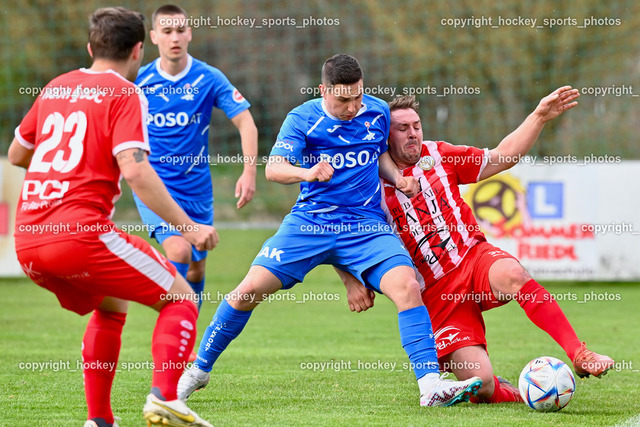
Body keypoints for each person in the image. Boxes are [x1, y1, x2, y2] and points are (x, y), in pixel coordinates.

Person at [177, 53, 484, 407]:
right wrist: (306, 173)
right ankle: (198, 370)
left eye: (357, 97)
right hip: (311, 222)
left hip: (365, 225)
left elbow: (376, 153)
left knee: (407, 285)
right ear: (323, 90)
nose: (352, 107)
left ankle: (430, 386)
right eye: (342, 100)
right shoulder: (302, 119)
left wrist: (397, 179)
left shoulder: (378, 111)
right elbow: (274, 169)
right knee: (247, 291)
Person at [338, 89, 615, 404]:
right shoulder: (367, 184)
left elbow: (501, 157)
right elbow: (336, 229)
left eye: (416, 125)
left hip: (473, 258)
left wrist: (538, 117)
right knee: (479, 384)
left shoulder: (439, 155)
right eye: (402, 129)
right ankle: (518, 393)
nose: (413, 133)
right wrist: (350, 280)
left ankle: (578, 352)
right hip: (437, 296)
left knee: (514, 274)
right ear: (383, 138)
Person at [8, 7, 216, 427]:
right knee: (180, 297)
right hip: (79, 236)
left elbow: (17, 154)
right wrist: (190, 227)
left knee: (112, 304)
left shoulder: (55, 87)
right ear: (139, 50)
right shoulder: (125, 93)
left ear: (90, 46)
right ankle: (164, 396)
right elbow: (136, 169)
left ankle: (99, 420)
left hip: (26, 241)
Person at [134, 4, 258, 312]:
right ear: (154, 37)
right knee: (179, 249)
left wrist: (249, 173)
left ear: (189, 33)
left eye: (180, 30)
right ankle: (174, 336)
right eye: (167, 31)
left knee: (196, 268)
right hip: (154, 183)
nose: (174, 37)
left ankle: (184, 334)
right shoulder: (139, 81)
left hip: (196, 187)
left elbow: (246, 123)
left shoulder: (209, 77)